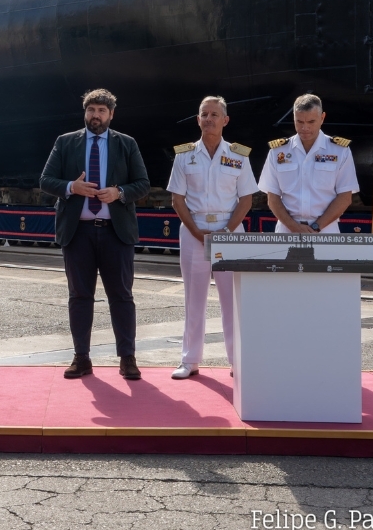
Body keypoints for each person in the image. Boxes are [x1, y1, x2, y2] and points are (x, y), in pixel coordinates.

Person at [40, 89, 150, 380]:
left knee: (122, 297)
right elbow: (45, 180)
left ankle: (127, 358)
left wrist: (120, 192)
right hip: (78, 234)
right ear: (85, 113)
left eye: (102, 111)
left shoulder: (126, 144)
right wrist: (70, 187)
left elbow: (143, 184)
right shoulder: (65, 143)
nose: (95, 116)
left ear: (111, 115)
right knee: (79, 297)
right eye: (91, 110)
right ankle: (81, 357)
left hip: (116, 233)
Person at [167, 96, 258, 380]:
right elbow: (177, 199)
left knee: (232, 299)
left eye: (214, 114)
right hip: (194, 230)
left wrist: (228, 231)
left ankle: (237, 361)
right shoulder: (184, 155)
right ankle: (190, 360)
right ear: (198, 119)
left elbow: (246, 199)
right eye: (204, 114)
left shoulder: (239, 154)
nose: (209, 119)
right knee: (194, 298)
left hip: (229, 232)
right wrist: (196, 232)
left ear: (225, 120)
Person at [259, 93, 359, 234]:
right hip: (287, 230)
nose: (305, 128)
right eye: (299, 122)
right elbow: (272, 197)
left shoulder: (339, 151)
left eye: (311, 122)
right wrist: (294, 227)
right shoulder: (278, 152)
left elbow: (345, 196)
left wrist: (316, 226)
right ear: (293, 118)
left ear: (322, 118)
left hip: (325, 229)